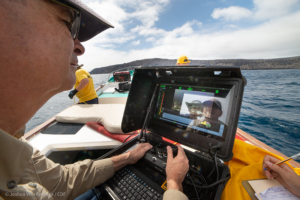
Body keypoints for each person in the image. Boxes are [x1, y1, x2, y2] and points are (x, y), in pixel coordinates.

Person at [0, 0, 189, 199]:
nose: (80, 48)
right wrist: (174, 185)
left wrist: (127, 158)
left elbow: (60, 183)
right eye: (67, 22)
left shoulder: (11, 142)